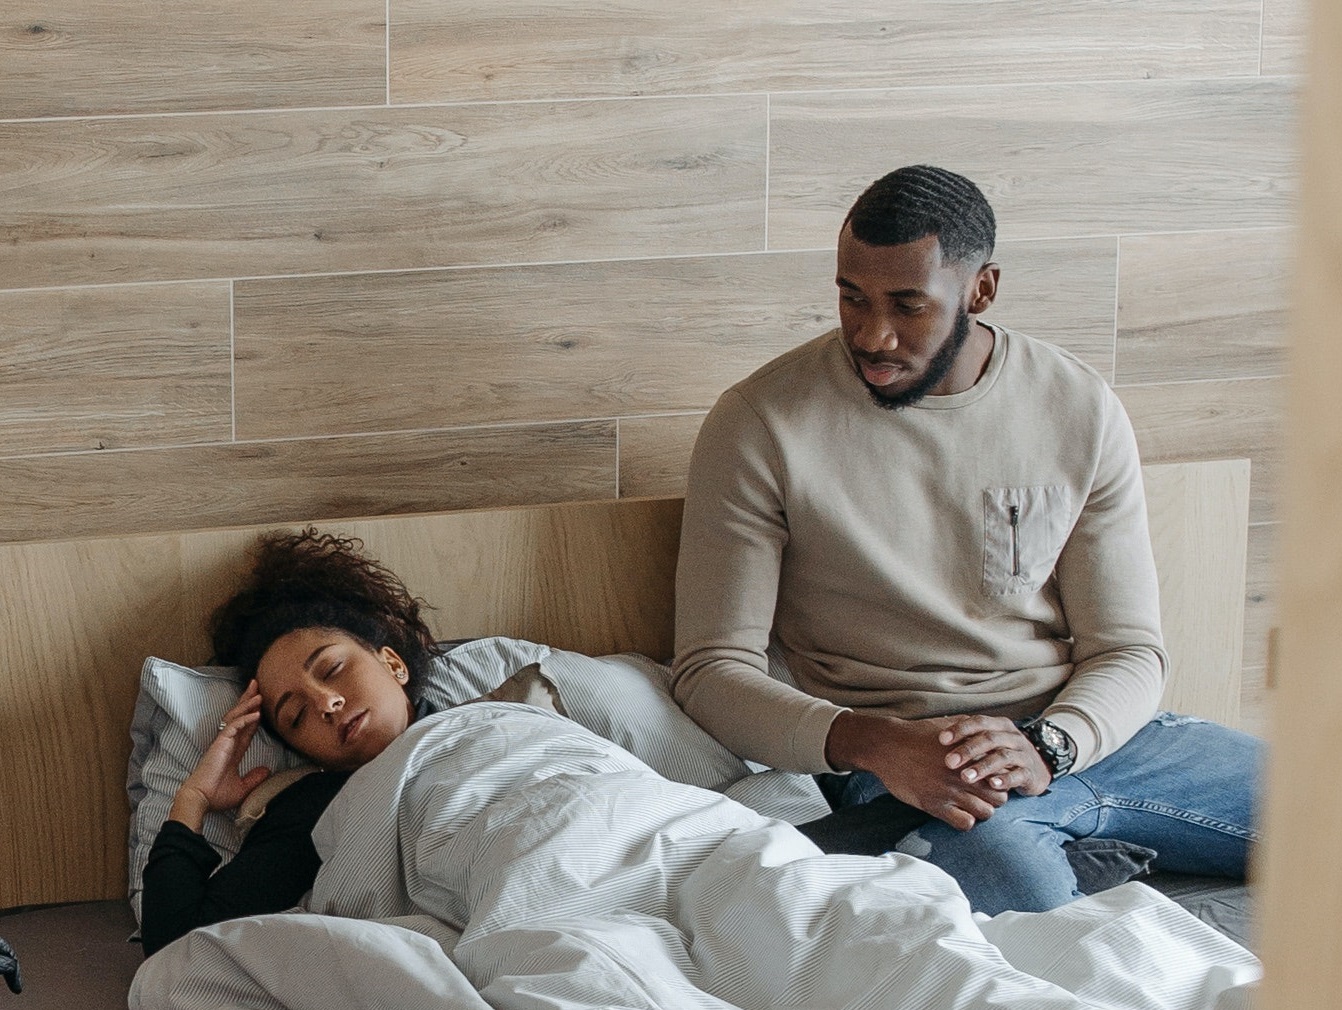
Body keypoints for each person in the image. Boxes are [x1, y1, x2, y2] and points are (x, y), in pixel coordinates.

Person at [671, 164, 1262, 915]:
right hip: (911, 760)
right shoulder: (761, 421)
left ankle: (1061, 839)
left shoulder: (1078, 406)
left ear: (980, 290)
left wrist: (1053, 744)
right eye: (852, 298)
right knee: (1020, 890)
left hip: (1085, 737)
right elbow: (710, 670)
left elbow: (1128, 650)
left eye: (907, 306)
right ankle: (1030, 851)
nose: (871, 334)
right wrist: (875, 744)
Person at [139, 528, 444, 957]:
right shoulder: (312, 811)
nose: (326, 703)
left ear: (392, 662)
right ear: (305, 751)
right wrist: (194, 798)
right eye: (296, 716)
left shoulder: (500, 721)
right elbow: (175, 953)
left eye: (333, 668)